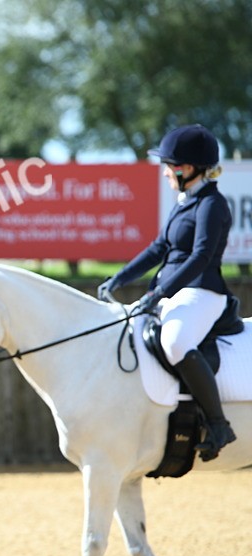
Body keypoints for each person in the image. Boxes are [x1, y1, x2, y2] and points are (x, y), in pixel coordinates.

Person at [97, 123, 236, 460]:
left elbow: (201, 257)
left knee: (174, 342)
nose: (164, 174)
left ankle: (219, 425)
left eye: (167, 167)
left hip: (202, 292)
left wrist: (158, 293)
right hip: (174, 291)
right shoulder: (185, 202)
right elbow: (159, 247)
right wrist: (119, 278)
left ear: (186, 168)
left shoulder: (211, 205)